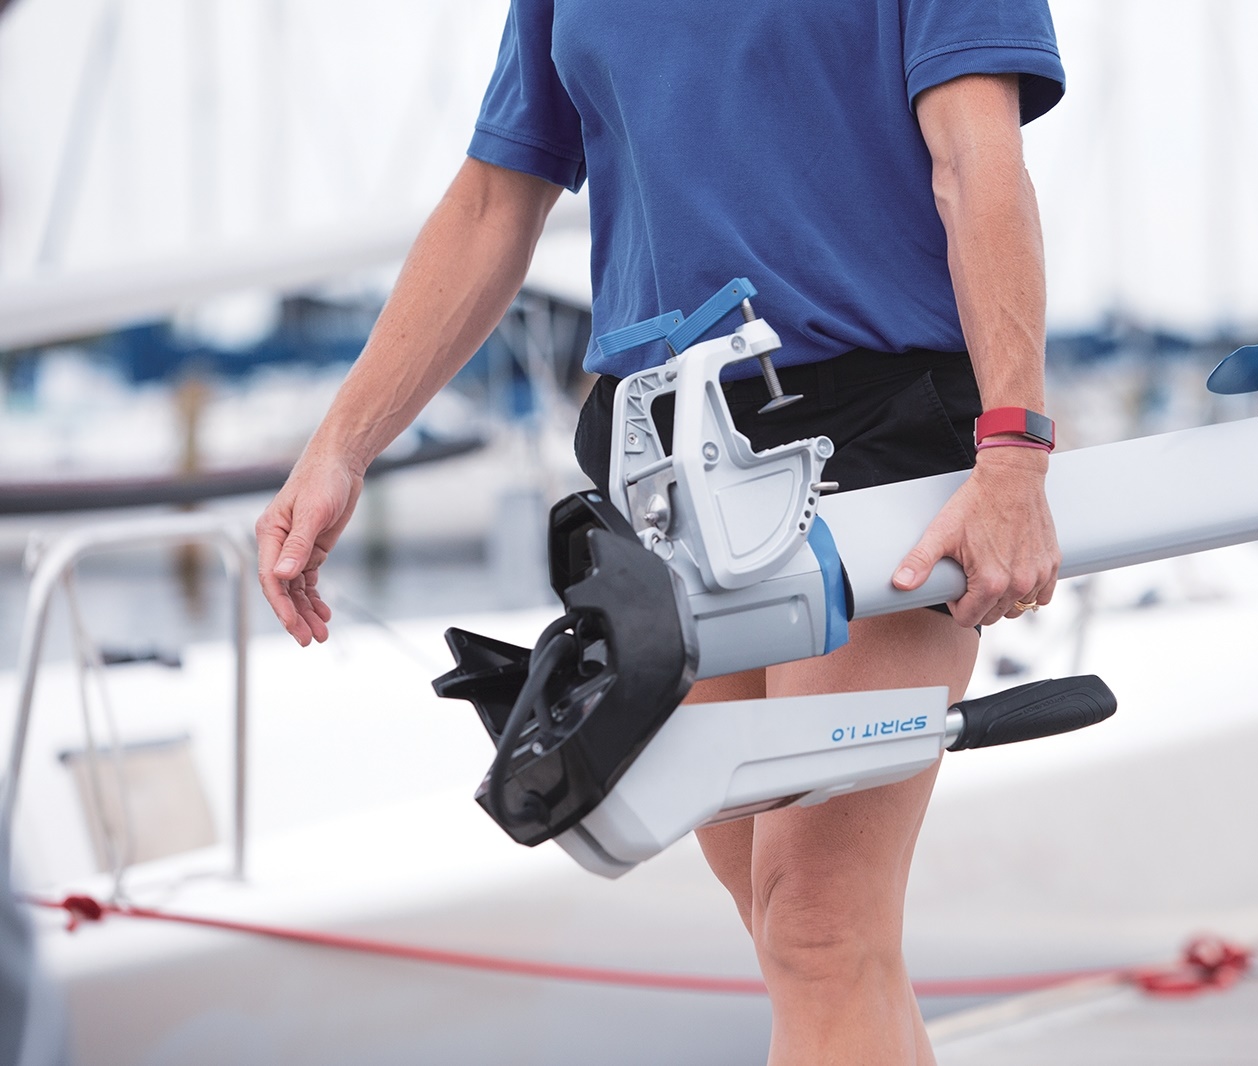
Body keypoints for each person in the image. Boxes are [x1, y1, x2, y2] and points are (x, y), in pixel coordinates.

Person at [257, 2, 1063, 1061]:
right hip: (664, 454)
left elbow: (974, 157)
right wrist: (340, 448)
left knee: (818, 927)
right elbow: (497, 197)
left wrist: (1014, 453)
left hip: (875, 427)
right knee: (794, 931)